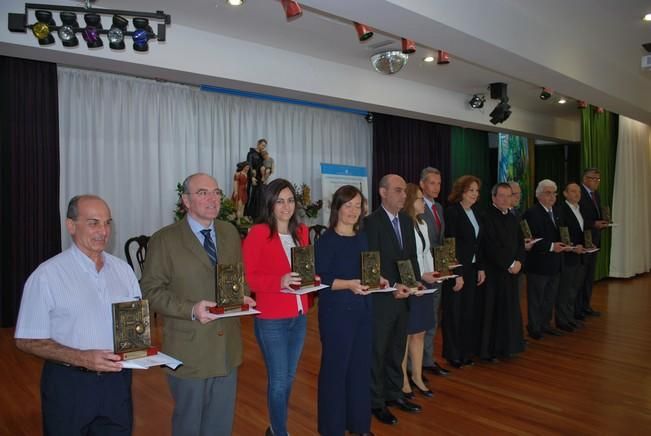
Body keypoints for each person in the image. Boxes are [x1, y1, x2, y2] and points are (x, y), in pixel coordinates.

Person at [15, 195, 141, 435]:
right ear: (71, 226)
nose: (103, 231)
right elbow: (26, 340)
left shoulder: (123, 271)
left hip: (118, 382)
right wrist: (81, 357)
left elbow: (134, 329)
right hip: (69, 384)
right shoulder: (46, 276)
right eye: (93, 222)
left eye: (107, 223)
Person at [141, 173, 255, 436]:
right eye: (203, 193)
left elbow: (238, 278)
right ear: (186, 201)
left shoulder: (228, 232)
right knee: (189, 424)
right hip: (188, 348)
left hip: (227, 347)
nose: (212, 199)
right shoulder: (164, 240)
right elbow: (150, 291)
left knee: (220, 424)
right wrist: (191, 309)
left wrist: (243, 296)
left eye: (216, 192)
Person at [242, 178, 310, 436]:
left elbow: (304, 270)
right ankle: (280, 432)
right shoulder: (258, 233)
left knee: (289, 378)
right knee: (279, 382)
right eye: (280, 201)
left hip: (300, 315)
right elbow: (249, 278)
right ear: (270, 204)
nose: (286, 206)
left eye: (290, 200)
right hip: (272, 319)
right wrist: (278, 281)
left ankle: (275, 428)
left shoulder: (301, 232)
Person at [315, 185, 380, 436]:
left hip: (363, 311)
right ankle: (332, 429)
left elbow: (368, 271)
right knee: (335, 371)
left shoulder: (363, 237)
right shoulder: (326, 241)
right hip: (337, 315)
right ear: (337, 208)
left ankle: (359, 425)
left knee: (360, 369)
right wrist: (349, 285)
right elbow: (320, 279)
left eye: (357, 205)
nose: (353, 211)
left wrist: (379, 279)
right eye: (348, 205)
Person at [363, 174, 419, 426]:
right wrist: (392, 287)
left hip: (404, 297)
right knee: (378, 351)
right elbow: (370, 266)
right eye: (398, 191)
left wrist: (414, 281)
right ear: (382, 192)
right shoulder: (370, 223)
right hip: (382, 299)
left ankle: (395, 393)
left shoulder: (407, 222)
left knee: (397, 349)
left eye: (404, 191)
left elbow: (411, 258)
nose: (403, 195)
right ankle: (376, 402)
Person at [401, 184, 441, 399]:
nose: (422, 203)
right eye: (419, 199)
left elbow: (425, 253)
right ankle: (404, 379)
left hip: (425, 284)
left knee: (420, 333)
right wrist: (415, 279)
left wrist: (433, 274)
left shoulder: (423, 223)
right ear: (409, 201)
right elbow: (405, 258)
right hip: (411, 284)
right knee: (407, 334)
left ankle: (417, 375)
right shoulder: (404, 224)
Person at [443, 175, 485, 368]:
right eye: (471, 191)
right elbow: (450, 245)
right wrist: (457, 273)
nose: (474, 194)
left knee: (468, 312)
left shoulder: (476, 212)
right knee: (454, 313)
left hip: (472, 268)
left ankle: (465, 352)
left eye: (476, 191)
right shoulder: (453, 212)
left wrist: (481, 267)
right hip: (457, 270)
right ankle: (453, 354)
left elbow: (479, 244)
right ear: (461, 192)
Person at [479, 183, 526, 360]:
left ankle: (508, 346)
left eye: (509, 195)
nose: (506, 199)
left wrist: (520, 261)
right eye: (502, 196)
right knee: (494, 313)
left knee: (510, 311)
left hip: (512, 273)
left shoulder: (513, 217)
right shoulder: (486, 216)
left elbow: (520, 242)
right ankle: (490, 351)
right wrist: (509, 263)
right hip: (495, 273)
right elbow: (490, 246)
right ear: (493, 198)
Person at [419, 167, 455, 377]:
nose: (436, 187)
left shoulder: (439, 208)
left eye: (439, 183)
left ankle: (428, 359)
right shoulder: (416, 208)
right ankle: (418, 363)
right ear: (422, 184)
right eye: (432, 183)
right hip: (424, 271)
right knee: (424, 318)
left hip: (439, 269)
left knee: (433, 317)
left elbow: (441, 240)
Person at [522, 179, 567, 340]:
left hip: (556, 262)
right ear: (539, 195)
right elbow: (530, 239)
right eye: (548, 193)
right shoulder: (532, 213)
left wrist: (566, 244)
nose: (552, 196)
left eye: (554, 193)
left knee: (549, 296)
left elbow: (561, 234)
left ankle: (545, 324)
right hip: (538, 263)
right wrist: (550, 246)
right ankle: (534, 327)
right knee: (536, 298)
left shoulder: (557, 212)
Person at [556, 182, 587, 332]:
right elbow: (562, 233)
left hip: (579, 256)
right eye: (573, 191)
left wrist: (587, 244)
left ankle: (570, 317)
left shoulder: (579, 209)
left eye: (579, 192)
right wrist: (574, 246)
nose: (577, 194)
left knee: (573, 289)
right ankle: (562, 320)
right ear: (565, 194)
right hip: (568, 256)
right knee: (565, 290)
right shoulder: (562, 209)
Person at [577, 168, 608, 318]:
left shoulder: (596, 194)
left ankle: (586, 306)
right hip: (582, 241)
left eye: (598, 179)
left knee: (589, 277)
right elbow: (578, 219)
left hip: (594, 241)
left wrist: (603, 222)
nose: (596, 182)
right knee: (581, 278)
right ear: (585, 179)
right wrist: (593, 224)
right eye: (593, 179)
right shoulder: (579, 194)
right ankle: (578, 309)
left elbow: (596, 215)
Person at [245, 138, 268, 217]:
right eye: (262, 145)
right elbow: (249, 165)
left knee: (260, 195)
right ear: (258, 144)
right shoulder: (251, 154)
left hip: (260, 177)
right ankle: (249, 214)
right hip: (253, 177)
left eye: (264, 146)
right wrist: (251, 177)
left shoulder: (262, 155)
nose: (263, 147)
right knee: (251, 194)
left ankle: (258, 214)